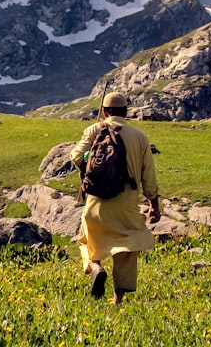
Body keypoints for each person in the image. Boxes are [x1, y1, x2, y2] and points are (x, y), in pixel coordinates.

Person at [70, 91, 161, 305]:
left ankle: (95, 266)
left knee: (87, 239)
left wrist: (88, 158)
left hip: (96, 200)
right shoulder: (139, 137)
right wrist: (153, 204)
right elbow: (148, 176)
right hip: (126, 201)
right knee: (127, 246)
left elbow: (75, 157)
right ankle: (117, 298)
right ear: (126, 111)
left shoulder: (94, 129)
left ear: (105, 111)